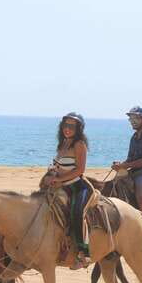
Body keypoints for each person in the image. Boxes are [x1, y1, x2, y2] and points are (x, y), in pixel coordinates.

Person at [111, 106, 142, 247]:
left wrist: (125, 166)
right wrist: (121, 164)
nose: (132, 121)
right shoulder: (134, 137)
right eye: (130, 118)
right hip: (135, 171)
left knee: (140, 195)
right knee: (114, 186)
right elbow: (130, 159)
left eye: (135, 118)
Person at [48, 112, 91, 269]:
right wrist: (52, 174)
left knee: (76, 213)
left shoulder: (79, 144)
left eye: (71, 126)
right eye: (65, 125)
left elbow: (80, 170)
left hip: (76, 187)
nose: (67, 129)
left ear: (78, 128)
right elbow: (58, 166)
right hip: (59, 186)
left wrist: (60, 179)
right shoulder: (63, 143)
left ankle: (83, 254)